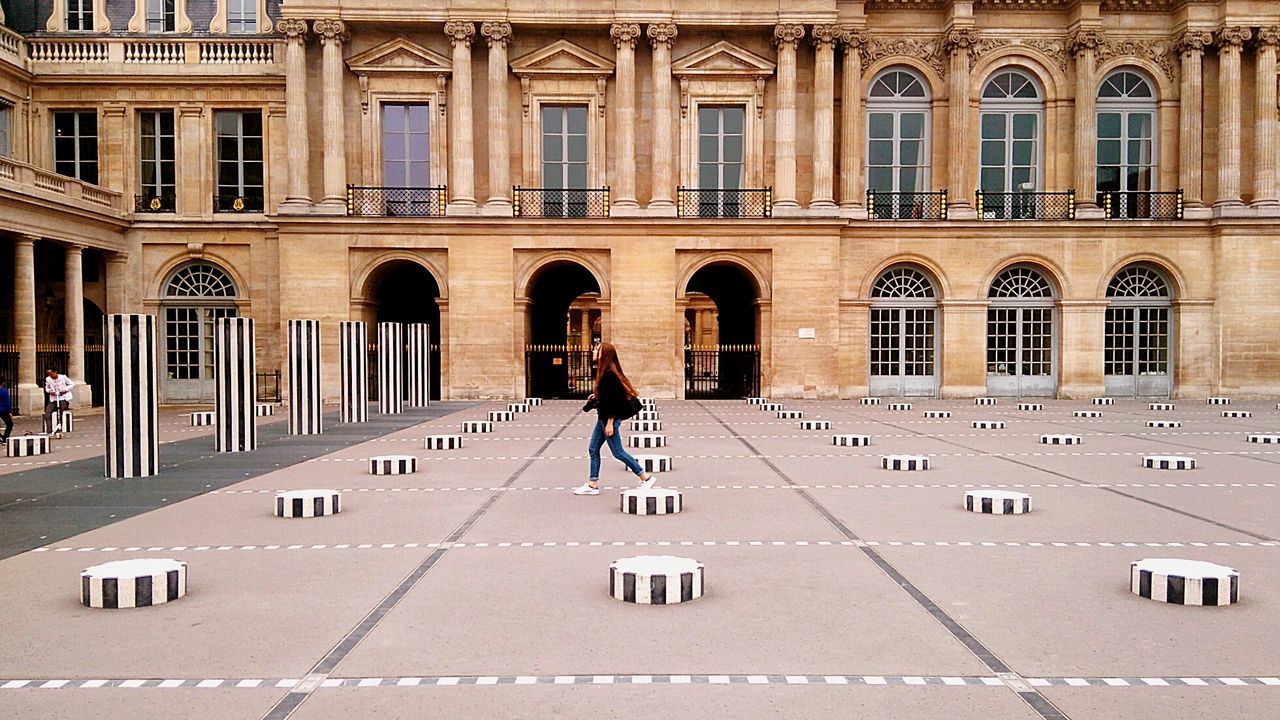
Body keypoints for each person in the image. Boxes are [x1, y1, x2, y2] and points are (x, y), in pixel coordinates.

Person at [573, 342, 656, 495]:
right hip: (603, 418)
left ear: (604, 354)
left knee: (618, 452)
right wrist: (597, 397)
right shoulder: (605, 372)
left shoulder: (608, 375)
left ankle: (645, 477)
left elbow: (613, 400)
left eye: (597, 349)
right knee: (593, 449)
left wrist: (610, 423)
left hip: (608, 419)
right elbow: (609, 397)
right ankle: (592, 484)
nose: (593, 351)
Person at [43, 367, 75, 439]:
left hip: (62, 397)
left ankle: (59, 430)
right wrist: (50, 391)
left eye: (51, 374)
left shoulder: (63, 377)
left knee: (59, 413)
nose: (50, 375)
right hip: (54, 398)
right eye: (49, 374)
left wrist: (65, 390)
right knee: (47, 413)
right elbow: (47, 388)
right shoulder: (48, 379)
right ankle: (49, 431)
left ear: (55, 372)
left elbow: (72, 384)